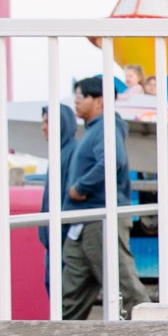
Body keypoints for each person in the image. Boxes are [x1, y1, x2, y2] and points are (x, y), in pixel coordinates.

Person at [62, 76, 149, 320]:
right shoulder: (96, 129)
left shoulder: (106, 127)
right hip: (87, 221)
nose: (76, 102)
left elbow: (112, 160)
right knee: (71, 293)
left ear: (99, 101)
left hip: (99, 219)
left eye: (81, 97)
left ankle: (159, 335)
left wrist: (80, 187)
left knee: (126, 288)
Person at [36, 102, 80, 294]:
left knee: (60, 292)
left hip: (61, 239)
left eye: (47, 122)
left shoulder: (71, 154)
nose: (43, 127)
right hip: (54, 240)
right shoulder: (59, 154)